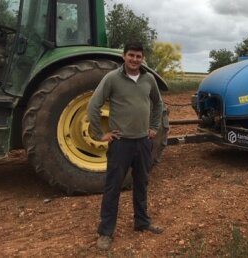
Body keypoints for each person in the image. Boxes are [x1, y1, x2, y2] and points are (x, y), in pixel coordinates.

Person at [87, 41, 164, 250]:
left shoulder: (149, 79)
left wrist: (154, 127)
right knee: (113, 186)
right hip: (121, 143)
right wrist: (99, 134)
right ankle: (105, 232)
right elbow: (93, 105)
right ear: (124, 56)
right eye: (131, 55)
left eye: (138, 56)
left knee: (142, 183)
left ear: (143, 58)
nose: (134, 59)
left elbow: (158, 104)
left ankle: (142, 222)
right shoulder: (112, 78)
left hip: (143, 142)